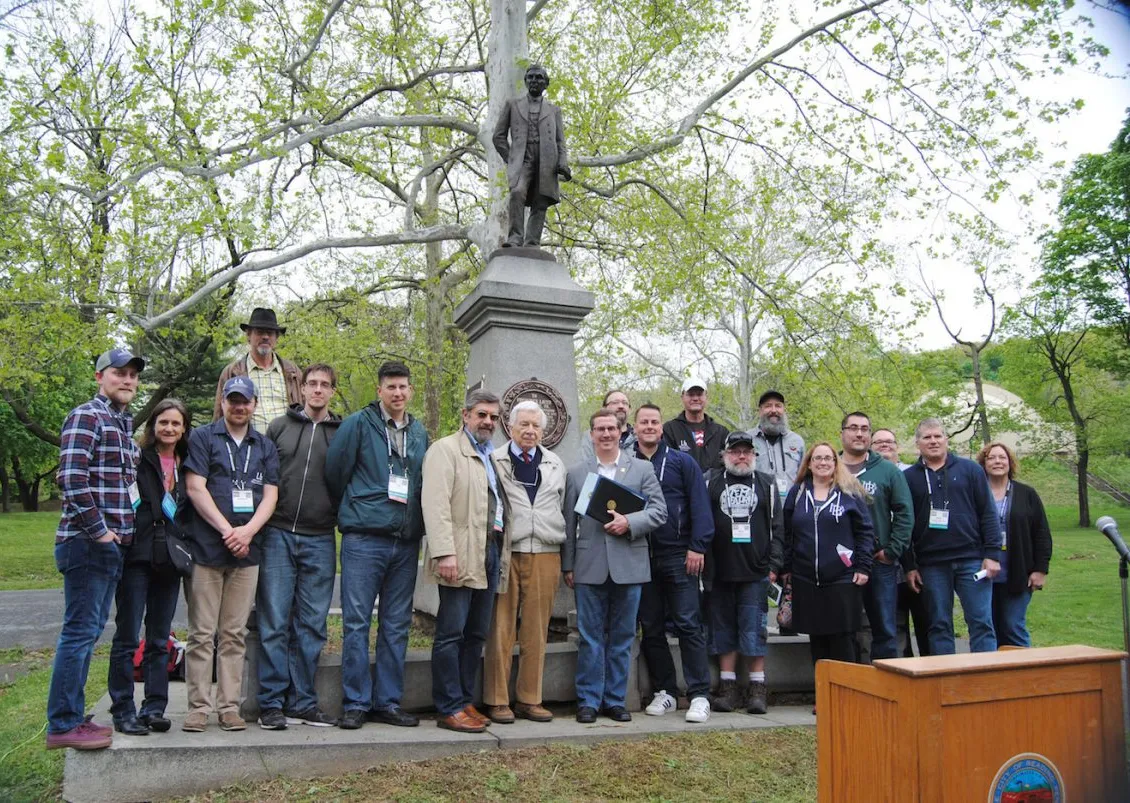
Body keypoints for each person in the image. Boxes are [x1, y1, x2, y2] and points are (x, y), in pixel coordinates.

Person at [47, 348, 145, 750]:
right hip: (87, 544)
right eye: (119, 373)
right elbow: (71, 478)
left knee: (87, 634)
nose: (127, 380)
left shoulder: (121, 422)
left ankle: (71, 715)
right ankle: (63, 724)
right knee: (79, 633)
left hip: (111, 545)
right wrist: (102, 534)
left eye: (133, 376)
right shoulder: (88, 415)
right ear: (99, 376)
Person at [325, 360, 429, 730]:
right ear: (379, 390)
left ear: (410, 391)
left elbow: (421, 482)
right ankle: (355, 702)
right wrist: (361, 506)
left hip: (405, 541)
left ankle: (387, 701)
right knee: (356, 623)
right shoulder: (357, 424)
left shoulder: (419, 433)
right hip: (364, 538)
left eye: (403, 387)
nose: (397, 393)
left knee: (396, 623)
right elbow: (335, 473)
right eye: (391, 387)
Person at [182, 376, 280, 732]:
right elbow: (195, 487)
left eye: (245, 401)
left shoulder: (264, 445)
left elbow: (270, 495)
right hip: (208, 548)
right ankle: (197, 707)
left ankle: (228, 707)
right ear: (222, 401)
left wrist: (248, 532)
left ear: (254, 405)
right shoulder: (203, 438)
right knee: (201, 632)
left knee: (234, 632)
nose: (239, 407)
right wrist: (227, 531)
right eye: (233, 400)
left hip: (247, 552)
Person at [563, 408, 667, 724]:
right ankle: (589, 701)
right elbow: (569, 523)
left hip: (629, 564)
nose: (606, 434)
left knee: (623, 636)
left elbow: (659, 512)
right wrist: (568, 565)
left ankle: (615, 700)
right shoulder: (577, 473)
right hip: (589, 564)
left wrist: (629, 521)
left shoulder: (641, 469)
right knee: (590, 636)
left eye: (611, 428)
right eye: (600, 429)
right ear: (592, 434)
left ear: (621, 432)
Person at [255, 364, 342, 730]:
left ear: (332, 391)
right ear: (301, 389)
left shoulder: (343, 433)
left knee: (312, 624)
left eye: (324, 385)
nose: (318, 390)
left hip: (321, 537)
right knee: (274, 621)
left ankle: (302, 701)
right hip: (277, 533)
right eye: (312, 384)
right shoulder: (279, 427)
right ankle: (271, 702)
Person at [422, 390, 510, 733]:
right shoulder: (444, 450)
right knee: (451, 632)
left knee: (475, 633)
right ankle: (447, 707)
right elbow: (435, 504)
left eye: (493, 416)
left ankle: (463, 700)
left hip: (489, 551)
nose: (488, 421)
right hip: (458, 554)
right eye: (481, 415)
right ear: (466, 414)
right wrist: (444, 552)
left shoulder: (491, 456)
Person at [107, 398, 190, 736]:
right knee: (127, 636)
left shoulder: (189, 464)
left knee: (159, 638)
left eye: (175, 423)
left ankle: (154, 707)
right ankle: (123, 708)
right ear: (153, 426)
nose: (169, 429)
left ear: (184, 428)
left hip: (170, 559)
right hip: (137, 555)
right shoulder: (137, 459)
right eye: (163, 422)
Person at [482, 400, 567, 725]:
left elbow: (561, 504)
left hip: (545, 551)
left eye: (535, 426)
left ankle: (530, 698)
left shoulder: (555, 463)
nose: (530, 431)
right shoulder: (495, 460)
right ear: (510, 427)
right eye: (524, 425)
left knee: (536, 630)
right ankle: (498, 699)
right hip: (507, 551)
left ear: (542, 431)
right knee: (501, 627)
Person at [633, 403, 714, 723]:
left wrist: (698, 546)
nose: (650, 426)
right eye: (644, 422)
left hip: (679, 554)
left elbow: (700, 506)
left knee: (688, 624)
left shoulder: (682, 462)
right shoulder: (628, 463)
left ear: (661, 427)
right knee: (651, 627)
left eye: (654, 421)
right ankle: (665, 690)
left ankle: (699, 695)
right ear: (635, 427)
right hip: (640, 556)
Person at [903, 418, 1001, 655]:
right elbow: (904, 524)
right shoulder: (909, 477)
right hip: (932, 565)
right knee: (938, 624)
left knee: (981, 622)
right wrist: (910, 565)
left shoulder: (971, 470)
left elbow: (988, 512)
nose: (933, 441)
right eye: (927, 437)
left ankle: (983, 677)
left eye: (938, 436)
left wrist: (992, 554)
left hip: (971, 560)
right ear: (918, 443)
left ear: (946, 439)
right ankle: (945, 682)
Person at [705, 431, 783, 716]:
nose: (741, 456)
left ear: (754, 455)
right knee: (722, 628)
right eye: (735, 451)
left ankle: (757, 687)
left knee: (754, 628)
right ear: (724, 455)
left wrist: (774, 565)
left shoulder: (767, 484)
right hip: (720, 570)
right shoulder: (710, 481)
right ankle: (727, 686)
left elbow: (778, 527)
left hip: (756, 571)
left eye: (746, 452)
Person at [781, 443, 873, 671]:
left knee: (843, 639)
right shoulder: (798, 492)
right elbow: (786, 532)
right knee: (818, 639)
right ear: (809, 464)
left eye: (828, 458)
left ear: (835, 463)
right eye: (817, 458)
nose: (823, 462)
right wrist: (786, 566)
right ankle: (824, 697)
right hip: (806, 578)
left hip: (842, 576)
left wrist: (863, 566)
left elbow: (865, 531)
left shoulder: (850, 492)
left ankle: (846, 695)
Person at [839, 412, 913, 660]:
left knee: (884, 627)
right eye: (853, 428)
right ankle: (849, 684)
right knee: (843, 627)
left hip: (878, 561)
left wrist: (892, 551)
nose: (859, 433)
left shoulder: (887, 471)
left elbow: (904, 513)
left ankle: (886, 688)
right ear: (842, 434)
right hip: (840, 564)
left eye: (864, 429)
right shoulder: (830, 467)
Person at [976, 442, 1052, 648]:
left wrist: (1040, 570)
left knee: (1012, 625)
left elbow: (1042, 533)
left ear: (1010, 463)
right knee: (987, 627)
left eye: (1002, 457)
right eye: (991, 457)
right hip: (983, 575)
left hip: (1018, 573)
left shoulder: (1026, 494)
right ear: (983, 463)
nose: (997, 461)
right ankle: (995, 676)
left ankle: (1024, 676)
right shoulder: (976, 492)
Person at [492, 64, 572, 248]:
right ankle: (515, 238)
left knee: (541, 200)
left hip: (547, 161)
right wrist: (511, 158)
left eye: (539, 78)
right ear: (526, 81)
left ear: (546, 83)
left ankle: (532, 242)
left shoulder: (554, 110)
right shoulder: (513, 105)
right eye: (531, 77)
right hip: (523, 159)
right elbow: (498, 136)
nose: (534, 81)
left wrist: (563, 163)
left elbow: (560, 141)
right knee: (517, 192)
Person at [871, 428, 929, 658]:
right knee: (893, 620)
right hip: (886, 558)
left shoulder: (913, 474)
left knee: (926, 619)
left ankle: (929, 672)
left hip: (916, 556)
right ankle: (902, 667)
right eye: (878, 442)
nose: (885, 445)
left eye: (889, 441)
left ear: (898, 446)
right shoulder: (868, 475)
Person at [213, 307, 301, 431]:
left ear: (276, 338)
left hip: (287, 447)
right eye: (259, 332)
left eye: (270, 333)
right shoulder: (232, 372)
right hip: (247, 446)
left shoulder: (293, 372)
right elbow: (219, 414)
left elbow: (305, 410)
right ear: (248, 335)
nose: (265, 337)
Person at [662, 377, 728, 472]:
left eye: (699, 394)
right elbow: (667, 464)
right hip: (682, 485)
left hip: (713, 485)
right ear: (682, 397)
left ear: (706, 397)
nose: (695, 398)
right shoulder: (670, 429)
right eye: (690, 394)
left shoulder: (721, 432)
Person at [751, 390, 805, 500]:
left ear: (784, 410)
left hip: (790, 508)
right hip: (758, 509)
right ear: (760, 411)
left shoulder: (797, 441)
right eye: (768, 406)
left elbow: (804, 477)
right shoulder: (748, 439)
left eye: (778, 406)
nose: (774, 410)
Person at [580, 389, 636, 459]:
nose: (621, 406)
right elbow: (585, 465)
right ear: (604, 409)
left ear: (630, 410)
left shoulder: (639, 437)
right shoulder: (590, 437)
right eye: (615, 402)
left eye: (625, 403)